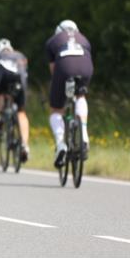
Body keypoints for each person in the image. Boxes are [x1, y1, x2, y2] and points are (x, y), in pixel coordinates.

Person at [45, 19, 94, 168]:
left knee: (56, 110)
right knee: (80, 95)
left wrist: (59, 90)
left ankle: (61, 144)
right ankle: (84, 133)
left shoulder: (52, 41)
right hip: (85, 67)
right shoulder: (84, 38)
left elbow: (54, 70)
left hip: (64, 68)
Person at [0, 38, 30, 162]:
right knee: (21, 112)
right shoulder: (20, 55)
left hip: (3, 79)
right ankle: (24, 145)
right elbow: (25, 74)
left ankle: (0, 115)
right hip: (20, 81)